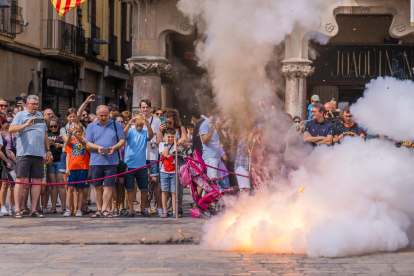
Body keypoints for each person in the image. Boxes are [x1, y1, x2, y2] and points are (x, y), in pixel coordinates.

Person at [9, 95, 52, 218]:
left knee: (37, 181)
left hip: (39, 154)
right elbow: (11, 128)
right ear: (27, 104)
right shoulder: (20, 115)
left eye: (37, 104)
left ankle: (34, 210)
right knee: (21, 180)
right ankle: (17, 209)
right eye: (33, 104)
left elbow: (44, 134)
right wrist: (26, 125)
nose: (35, 106)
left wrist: (48, 150)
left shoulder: (40, 116)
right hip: (24, 153)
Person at [85, 105, 125, 218]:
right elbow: (88, 143)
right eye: (101, 116)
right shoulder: (91, 126)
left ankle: (105, 209)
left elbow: (122, 140)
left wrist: (114, 147)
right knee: (97, 186)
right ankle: (98, 208)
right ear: (97, 115)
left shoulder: (116, 125)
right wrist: (98, 148)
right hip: (95, 161)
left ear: (109, 115)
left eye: (106, 115)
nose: (103, 118)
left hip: (111, 162)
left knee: (109, 186)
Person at [123, 114, 154, 217]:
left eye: (141, 120)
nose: (139, 123)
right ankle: (131, 209)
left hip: (141, 166)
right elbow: (123, 134)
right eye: (137, 120)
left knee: (144, 189)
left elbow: (151, 136)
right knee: (130, 189)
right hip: (129, 164)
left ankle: (143, 208)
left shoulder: (145, 132)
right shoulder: (131, 131)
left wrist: (148, 125)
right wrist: (129, 123)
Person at [140, 99, 162, 216]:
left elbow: (160, 137)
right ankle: (146, 206)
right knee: (144, 182)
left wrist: (157, 143)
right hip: (142, 155)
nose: (145, 109)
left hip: (154, 154)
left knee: (155, 181)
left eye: (147, 107)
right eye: (143, 107)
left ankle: (158, 206)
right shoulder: (138, 120)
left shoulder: (157, 121)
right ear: (140, 109)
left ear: (150, 108)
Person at [64, 122, 90, 217]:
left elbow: (83, 142)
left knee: (80, 189)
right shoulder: (71, 142)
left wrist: (75, 134)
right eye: (76, 131)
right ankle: (69, 209)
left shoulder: (85, 140)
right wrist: (67, 168)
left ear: (82, 131)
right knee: (70, 189)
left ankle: (79, 209)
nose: (78, 133)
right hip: (72, 167)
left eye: (79, 131)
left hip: (82, 167)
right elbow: (68, 155)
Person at [159, 128, 182, 218]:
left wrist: (175, 142)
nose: (170, 139)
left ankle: (174, 211)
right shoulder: (162, 144)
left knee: (174, 192)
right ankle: (165, 211)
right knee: (164, 191)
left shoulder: (177, 145)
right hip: (164, 171)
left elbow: (175, 153)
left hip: (174, 172)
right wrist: (165, 143)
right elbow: (165, 154)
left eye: (172, 137)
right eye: (168, 137)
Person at [47, 116, 66, 214]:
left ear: (58, 125)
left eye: (55, 126)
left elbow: (66, 145)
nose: (53, 128)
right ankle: (53, 208)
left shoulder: (62, 133)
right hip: (50, 161)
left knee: (61, 185)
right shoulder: (47, 133)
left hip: (60, 160)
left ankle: (63, 207)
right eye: (51, 126)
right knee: (53, 186)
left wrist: (55, 144)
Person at [199, 114, 226, 179]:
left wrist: (219, 129)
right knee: (212, 183)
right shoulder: (205, 124)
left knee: (215, 183)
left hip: (217, 157)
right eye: (220, 118)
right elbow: (205, 141)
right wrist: (211, 132)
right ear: (216, 116)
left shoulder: (216, 125)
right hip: (210, 158)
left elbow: (224, 140)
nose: (221, 120)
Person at [2, 113, 16, 215]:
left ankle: (12, 206)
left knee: (13, 183)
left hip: (13, 156)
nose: (8, 124)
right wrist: (9, 155)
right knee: (4, 184)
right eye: (7, 121)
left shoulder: (14, 132)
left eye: (11, 121)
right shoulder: (2, 132)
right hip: (5, 156)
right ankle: (3, 206)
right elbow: (2, 146)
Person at [0, 116, 12, 216]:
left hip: (3, 161)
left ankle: (2, 206)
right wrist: (6, 162)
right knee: (2, 184)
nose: (6, 125)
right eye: (4, 123)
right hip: (1, 162)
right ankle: (2, 206)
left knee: (4, 185)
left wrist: (12, 158)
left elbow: (4, 149)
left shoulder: (1, 134)